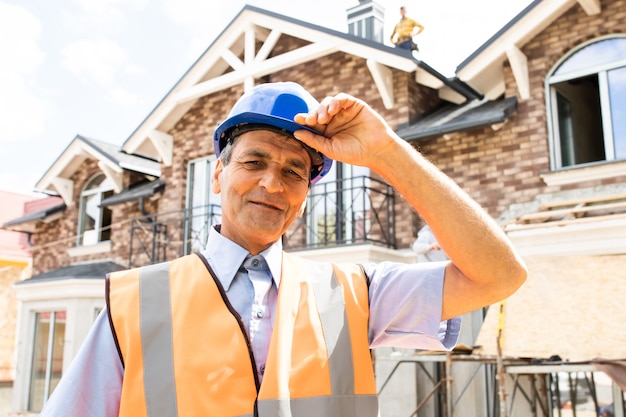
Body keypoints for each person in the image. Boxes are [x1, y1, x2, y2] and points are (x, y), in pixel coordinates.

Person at [38, 81, 526, 416]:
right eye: (254, 161)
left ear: (306, 193)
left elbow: (499, 276)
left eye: (294, 171)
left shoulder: (353, 293)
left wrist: (386, 153)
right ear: (218, 175)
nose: (273, 184)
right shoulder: (134, 302)